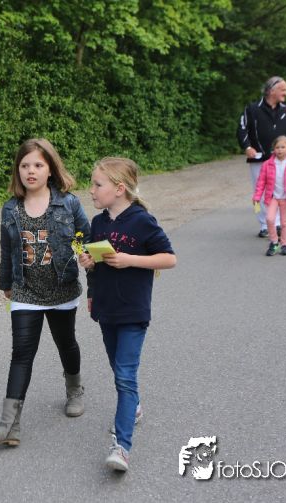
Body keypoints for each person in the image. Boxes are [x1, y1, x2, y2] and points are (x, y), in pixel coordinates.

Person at [0, 138, 90, 447]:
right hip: (25, 291)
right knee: (21, 353)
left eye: (38, 165)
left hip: (62, 289)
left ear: (50, 169)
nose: (31, 171)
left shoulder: (68, 203)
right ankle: (9, 425)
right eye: (25, 165)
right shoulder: (10, 208)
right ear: (18, 170)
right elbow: (6, 249)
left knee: (66, 343)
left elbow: (84, 238)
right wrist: (6, 284)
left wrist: (88, 265)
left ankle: (74, 389)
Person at [79, 157, 176, 472]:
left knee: (124, 375)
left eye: (97, 184)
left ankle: (121, 446)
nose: (91, 190)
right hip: (106, 308)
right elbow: (97, 261)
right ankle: (133, 407)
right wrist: (90, 265)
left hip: (133, 311)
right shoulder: (98, 222)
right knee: (118, 368)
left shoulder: (142, 221)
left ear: (119, 189)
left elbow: (168, 258)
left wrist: (129, 260)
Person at [237, 76, 286, 238]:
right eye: (283, 90)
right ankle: (264, 224)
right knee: (260, 192)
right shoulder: (252, 109)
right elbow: (242, 128)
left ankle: (276, 223)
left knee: (278, 190)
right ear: (271, 91)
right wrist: (247, 146)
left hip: (281, 159)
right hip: (258, 158)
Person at [252, 136, 286, 256]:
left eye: (283, 147)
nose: (280, 150)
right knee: (269, 219)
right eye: (277, 147)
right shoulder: (267, 164)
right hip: (273, 197)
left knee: (285, 222)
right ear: (273, 149)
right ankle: (274, 242)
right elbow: (261, 182)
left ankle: (285, 244)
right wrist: (256, 197)